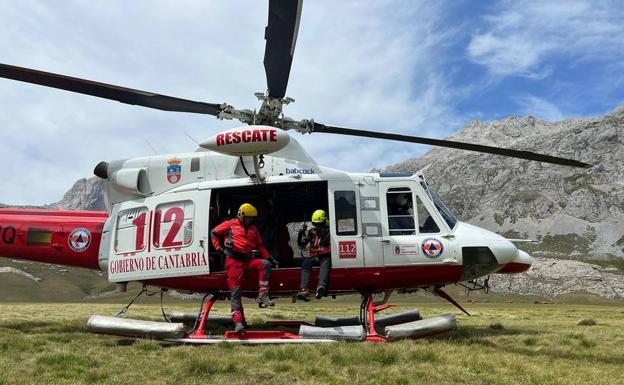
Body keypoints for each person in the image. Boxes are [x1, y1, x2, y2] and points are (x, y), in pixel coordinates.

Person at [210, 203, 274, 333]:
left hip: (248, 260)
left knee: (265, 264)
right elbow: (214, 232)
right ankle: (238, 323)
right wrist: (218, 248)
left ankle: (263, 294)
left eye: (252, 218)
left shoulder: (254, 229)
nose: (250, 220)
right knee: (236, 293)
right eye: (248, 217)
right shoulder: (229, 224)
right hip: (233, 263)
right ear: (241, 215)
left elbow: (260, 245)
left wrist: (268, 257)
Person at [296, 209, 331, 301]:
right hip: (313, 256)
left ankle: (321, 287)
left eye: (319, 224)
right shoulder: (311, 232)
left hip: (324, 256)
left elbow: (328, 245)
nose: (317, 226)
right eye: (315, 224)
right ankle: (304, 290)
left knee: (325, 263)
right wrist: (301, 233)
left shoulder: (329, 231)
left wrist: (323, 233)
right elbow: (302, 243)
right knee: (305, 263)